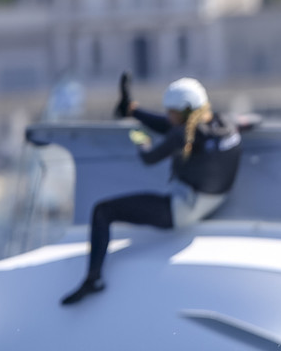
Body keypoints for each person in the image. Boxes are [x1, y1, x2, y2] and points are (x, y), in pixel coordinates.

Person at [62, 75, 243, 305]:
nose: (168, 115)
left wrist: (141, 141)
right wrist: (134, 111)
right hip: (215, 200)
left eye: (171, 112)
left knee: (103, 211)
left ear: (185, 112)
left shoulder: (180, 135)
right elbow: (178, 128)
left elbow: (149, 158)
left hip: (180, 211)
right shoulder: (226, 123)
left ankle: (93, 279)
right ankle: (131, 108)